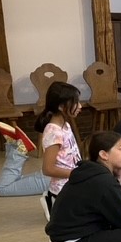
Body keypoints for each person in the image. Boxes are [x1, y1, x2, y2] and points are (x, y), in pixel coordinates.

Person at [34, 81, 83, 220]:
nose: (80, 106)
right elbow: (48, 169)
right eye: (76, 102)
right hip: (64, 188)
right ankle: (52, 200)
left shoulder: (66, 125)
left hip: (74, 182)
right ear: (61, 106)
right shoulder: (53, 132)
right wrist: (76, 174)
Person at [0, 121, 49, 197]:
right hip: (57, 179)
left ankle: (15, 145)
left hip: (56, 176)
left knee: (5, 187)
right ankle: (19, 148)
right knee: (1, 189)